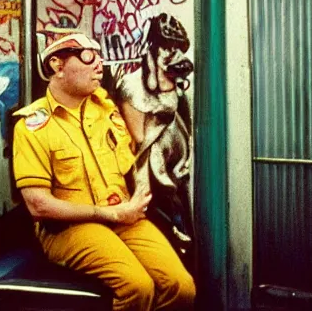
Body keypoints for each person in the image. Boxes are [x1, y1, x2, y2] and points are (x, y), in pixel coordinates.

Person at [12, 31, 195, 311]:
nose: (99, 63)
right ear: (57, 66)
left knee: (181, 287)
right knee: (137, 287)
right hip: (68, 227)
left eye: (99, 55)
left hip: (122, 213)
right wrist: (108, 214)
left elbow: (133, 159)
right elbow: (38, 205)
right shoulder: (32, 127)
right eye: (87, 57)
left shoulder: (106, 110)